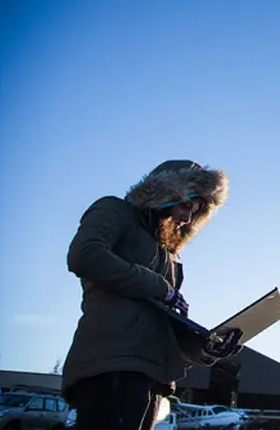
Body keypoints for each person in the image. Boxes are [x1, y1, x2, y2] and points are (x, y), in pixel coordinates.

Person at [61, 160, 228, 430]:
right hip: (112, 366)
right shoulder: (114, 209)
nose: (186, 219)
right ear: (166, 192)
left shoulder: (169, 254)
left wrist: (203, 347)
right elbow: (85, 255)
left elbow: (161, 316)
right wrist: (162, 287)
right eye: (186, 205)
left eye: (195, 211)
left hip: (153, 378)